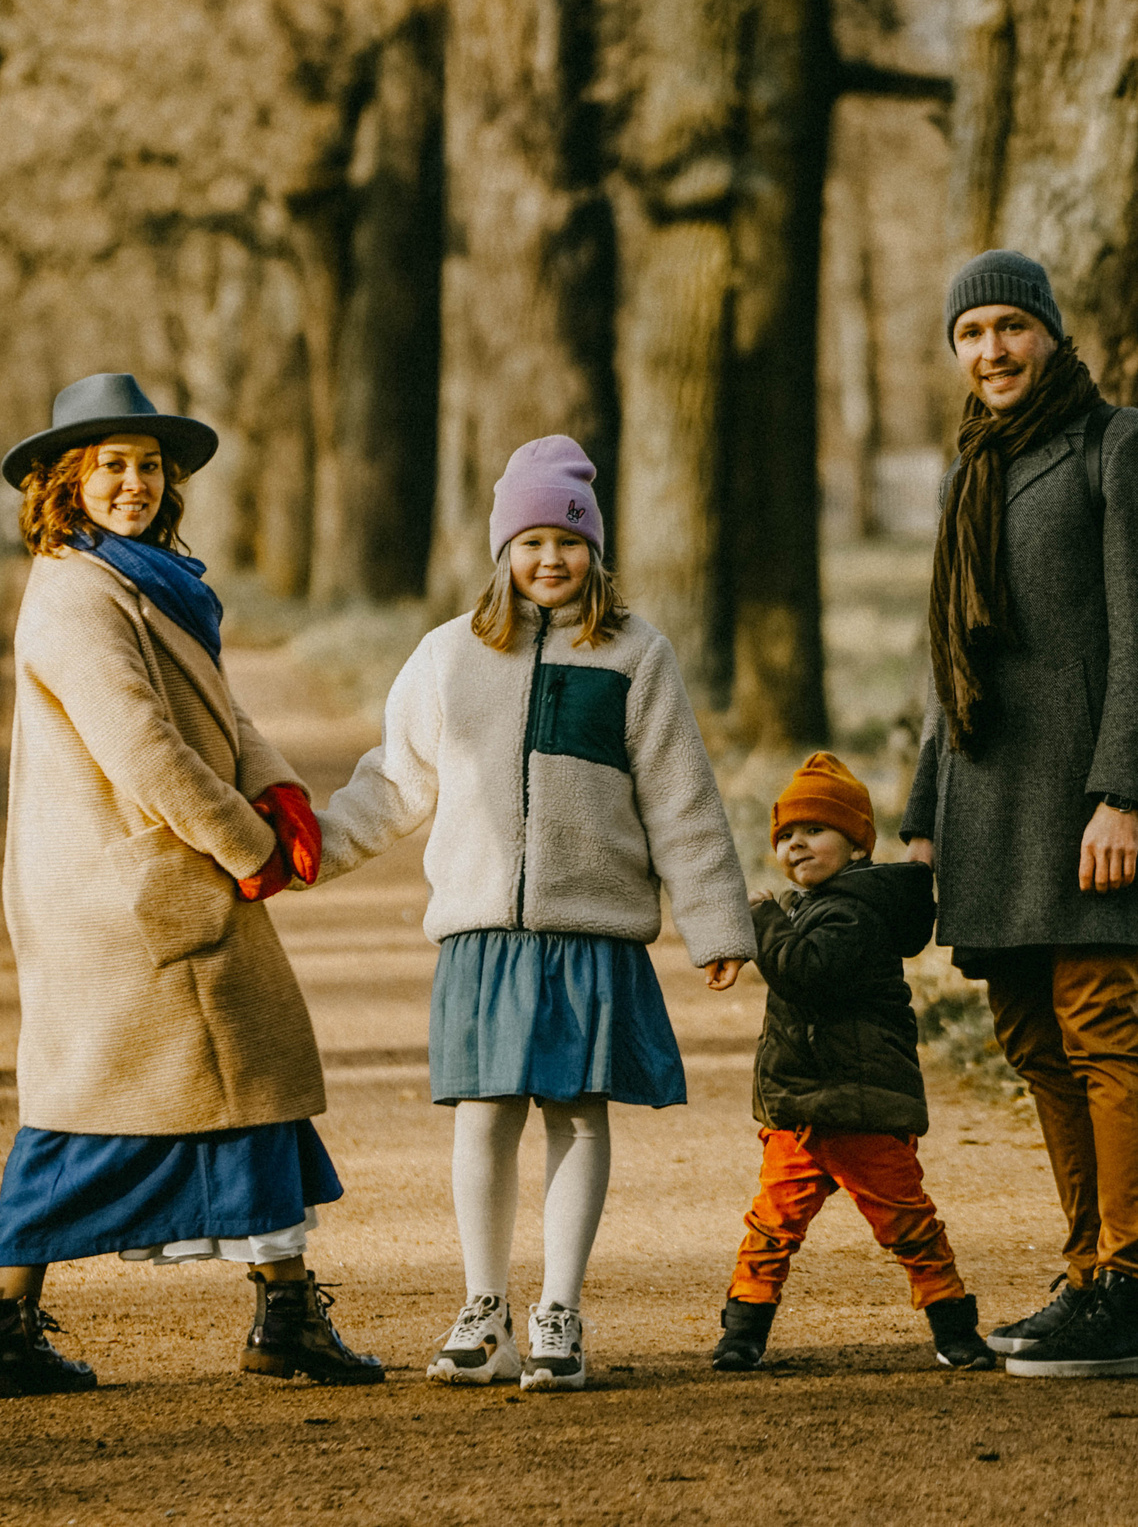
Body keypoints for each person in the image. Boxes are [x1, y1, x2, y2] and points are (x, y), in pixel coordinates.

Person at [302, 434, 756, 1391]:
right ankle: (483, 1310)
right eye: (532, 539)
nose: (551, 558)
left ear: (597, 550)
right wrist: (306, 852)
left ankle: (559, 1310)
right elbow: (393, 781)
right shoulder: (447, 657)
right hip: (482, 933)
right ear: (502, 550)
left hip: (590, 928)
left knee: (579, 1113)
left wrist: (716, 920)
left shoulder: (637, 655)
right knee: (484, 1112)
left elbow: (681, 798)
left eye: (571, 540)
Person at [0, 372, 383, 1396]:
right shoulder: (73, 592)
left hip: (171, 871)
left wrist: (279, 789)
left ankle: (284, 1310)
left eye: (148, 465)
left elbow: (218, 710)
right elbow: (144, 748)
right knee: (80, 1115)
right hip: (124, 892)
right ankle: (6, 1320)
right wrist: (243, 845)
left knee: (254, 1091)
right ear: (65, 481)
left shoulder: (153, 576)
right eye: (110, 465)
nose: (133, 482)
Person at [903, 250, 1138, 1378]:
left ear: (1048, 330)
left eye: (1009, 327)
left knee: (1104, 1028)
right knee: (1031, 1041)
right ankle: (1090, 1267)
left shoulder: (1115, 447)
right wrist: (918, 814)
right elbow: (941, 660)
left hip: (1087, 809)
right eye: (969, 333)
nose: (990, 351)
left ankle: (1131, 1278)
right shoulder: (971, 471)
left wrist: (1124, 792)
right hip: (988, 810)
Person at [714, 752, 992, 1372]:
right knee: (770, 1224)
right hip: (803, 1110)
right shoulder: (813, 906)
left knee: (907, 1224)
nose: (795, 845)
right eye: (785, 835)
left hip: (859, 1106)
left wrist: (761, 921)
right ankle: (742, 1331)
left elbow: (806, 974)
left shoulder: (853, 911)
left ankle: (954, 1328)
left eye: (813, 831)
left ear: (858, 845)